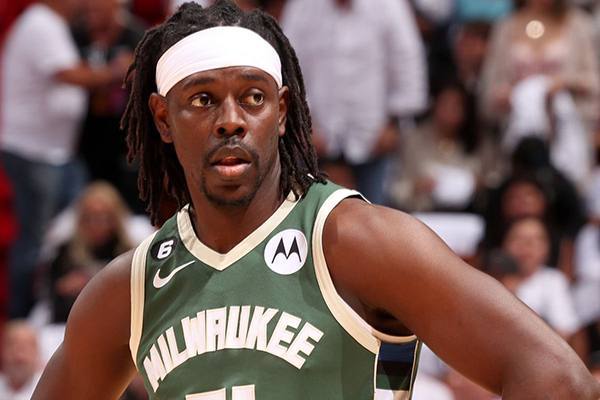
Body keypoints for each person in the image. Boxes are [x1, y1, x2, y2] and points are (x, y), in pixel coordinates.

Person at [32, 1, 600, 399]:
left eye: (253, 98)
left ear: (281, 112)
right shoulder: (131, 286)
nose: (231, 120)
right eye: (202, 100)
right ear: (162, 118)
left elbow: (555, 379)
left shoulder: (355, 240)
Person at [0, 0, 129, 318]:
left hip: (57, 154)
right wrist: (116, 70)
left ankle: (67, 304)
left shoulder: (54, 26)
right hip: (35, 153)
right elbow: (70, 75)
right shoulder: (40, 23)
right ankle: (23, 318)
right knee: (35, 239)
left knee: (73, 225)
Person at [280, 0, 428, 205]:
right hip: (316, 139)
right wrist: (302, 124)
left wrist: (394, 123)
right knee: (310, 213)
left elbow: (408, 62)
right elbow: (287, 63)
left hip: (373, 138)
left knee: (374, 215)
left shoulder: (389, 6)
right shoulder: (303, 6)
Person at [0, 321, 42, 399]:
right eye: (13, 347)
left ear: (37, 352)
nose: (19, 357)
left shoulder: (50, 389)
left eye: (25, 348)